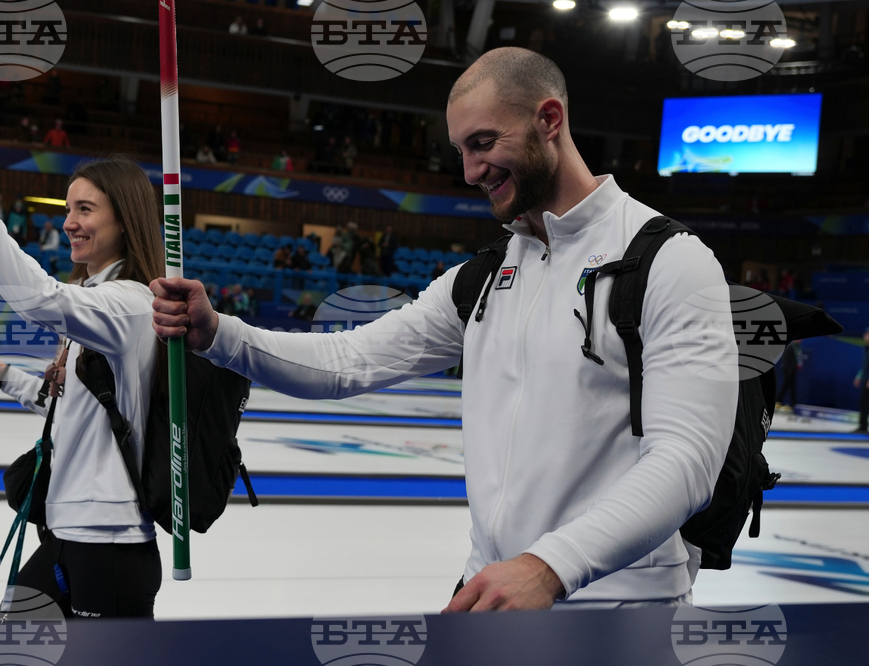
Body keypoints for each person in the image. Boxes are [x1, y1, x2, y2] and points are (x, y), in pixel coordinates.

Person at [151, 48, 739, 612]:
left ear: (549, 119)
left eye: (483, 143)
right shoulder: (480, 279)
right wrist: (217, 334)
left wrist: (550, 566)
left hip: (620, 611)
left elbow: (687, 461)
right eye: (460, 149)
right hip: (495, 596)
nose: (469, 170)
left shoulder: (672, 262)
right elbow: (348, 361)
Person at [0, 128, 164, 618]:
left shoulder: (127, 304)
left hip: (109, 545)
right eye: (68, 210)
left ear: (125, 219)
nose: (69, 223)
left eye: (85, 209)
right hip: (68, 534)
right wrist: (2, 373)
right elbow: (70, 408)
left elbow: (41, 298)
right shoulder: (97, 298)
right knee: (10, 642)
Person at [775, 340, 802, 412]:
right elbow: (785, 359)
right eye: (800, 339)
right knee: (787, 386)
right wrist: (788, 370)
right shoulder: (790, 347)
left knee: (789, 386)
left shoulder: (797, 347)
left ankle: (782, 401)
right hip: (788, 371)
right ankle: (780, 400)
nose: (801, 341)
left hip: (793, 370)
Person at [855, 327, 869, 434]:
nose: (866, 336)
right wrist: (859, 377)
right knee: (863, 402)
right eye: (866, 334)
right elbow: (864, 366)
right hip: (865, 380)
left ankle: (863, 426)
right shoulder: (866, 348)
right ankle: (863, 426)